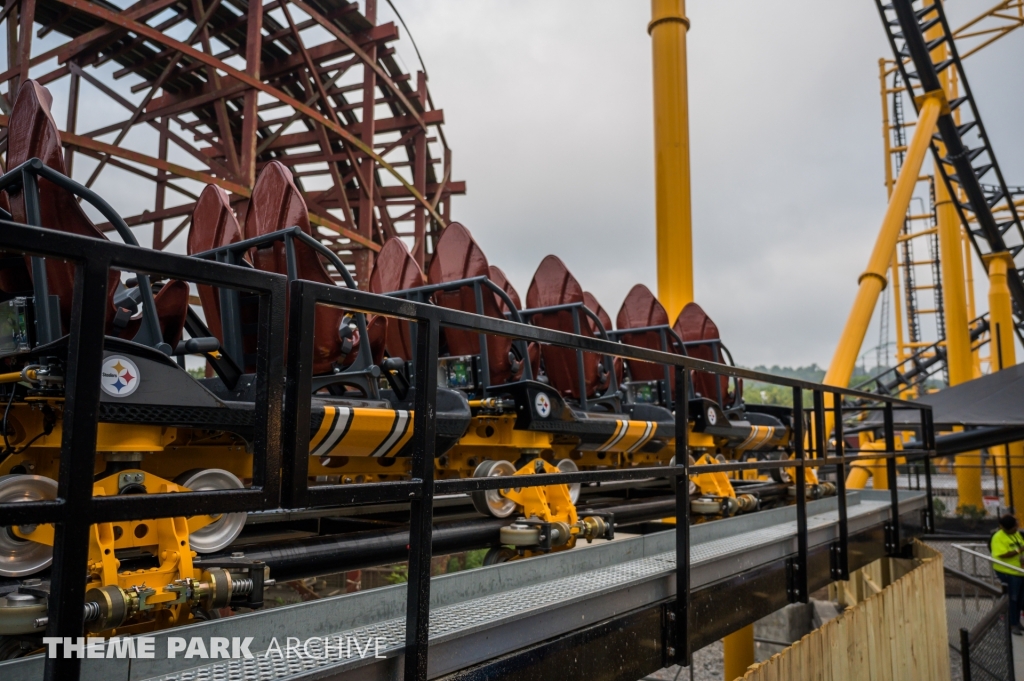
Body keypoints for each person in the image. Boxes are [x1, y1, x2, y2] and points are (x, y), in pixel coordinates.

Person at [991, 514, 1024, 635]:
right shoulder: (998, 537)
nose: (1017, 528)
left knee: (1021, 598)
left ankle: (1017, 621)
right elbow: (1002, 554)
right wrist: (1019, 551)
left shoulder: (1016, 534)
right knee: (1013, 598)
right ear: (1006, 528)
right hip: (1008, 571)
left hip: (1019, 570)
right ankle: (1012, 623)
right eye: (1014, 527)